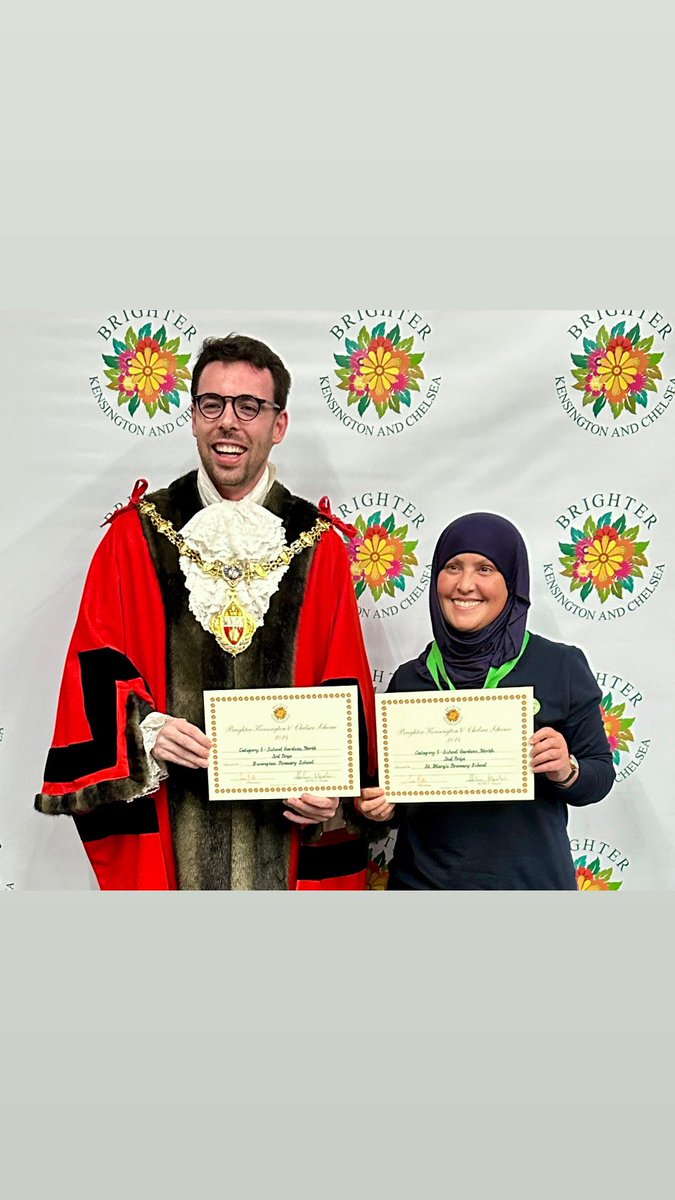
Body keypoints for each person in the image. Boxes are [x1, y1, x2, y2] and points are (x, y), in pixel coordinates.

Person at [36, 333, 377, 891]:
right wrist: (144, 729)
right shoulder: (136, 536)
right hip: (172, 834)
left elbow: (345, 682)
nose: (229, 422)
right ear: (193, 417)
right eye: (212, 404)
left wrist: (335, 792)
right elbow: (93, 668)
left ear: (278, 425)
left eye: (250, 407)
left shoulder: (320, 548)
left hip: (285, 846)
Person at [359, 512, 615, 890]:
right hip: (423, 887)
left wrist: (566, 768)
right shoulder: (409, 680)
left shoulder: (560, 665)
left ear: (512, 582)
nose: (465, 584)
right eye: (452, 567)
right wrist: (377, 810)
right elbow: (390, 797)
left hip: (530, 886)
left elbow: (599, 776)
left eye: (485, 569)